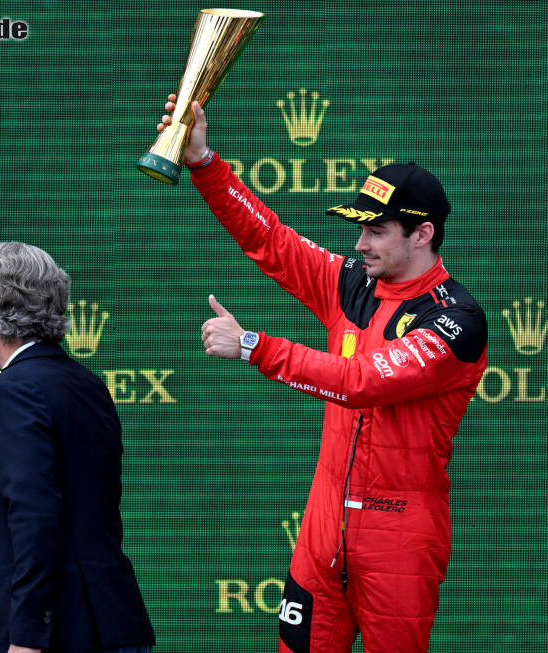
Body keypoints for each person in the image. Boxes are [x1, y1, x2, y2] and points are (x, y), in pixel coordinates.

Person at [160, 97, 488, 652]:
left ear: (423, 234)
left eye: (376, 231)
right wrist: (203, 161)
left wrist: (252, 346)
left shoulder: (457, 320)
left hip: (400, 539)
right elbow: (270, 239)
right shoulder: (354, 282)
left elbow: (362, 383)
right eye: (359, 229)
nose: (359, 244)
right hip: (320, 535)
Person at [0, 241, 155, 653]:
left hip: (61, 633)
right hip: (115, 621)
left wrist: (27, 637)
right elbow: (67, 484)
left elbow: (35, 514)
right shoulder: (88, 383)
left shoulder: (13, 390)